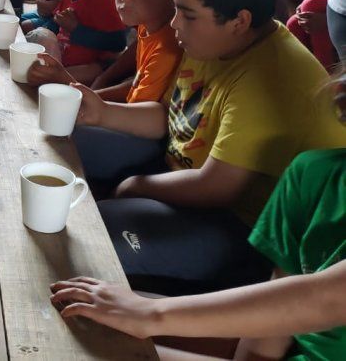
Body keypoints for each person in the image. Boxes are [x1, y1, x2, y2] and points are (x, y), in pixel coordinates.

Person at [71, 0, 346, 295]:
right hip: (179, 168)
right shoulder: (211, 38)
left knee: (92, 240)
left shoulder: (270, 80)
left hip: (242, 226)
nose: (174, 24)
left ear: (239, 21)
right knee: (66, 135)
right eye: (175, 9)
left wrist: (135, 185)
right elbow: (169, 115)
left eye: (186, 14)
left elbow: (215, 187)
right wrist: (103, 112)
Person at [51, 149, 346, 361]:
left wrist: (148, 314)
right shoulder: (316, 173)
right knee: (78, 312)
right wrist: (141, 314)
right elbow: (270, 334)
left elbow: (328, 299)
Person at [30, 0, 186, 105]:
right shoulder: (148, 24)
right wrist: (102, 80)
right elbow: (133, 70)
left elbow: (135, 107)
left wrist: (67, 82)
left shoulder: (167, 50)